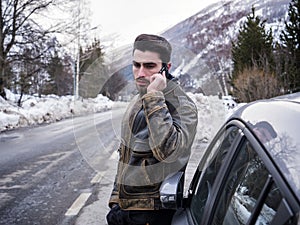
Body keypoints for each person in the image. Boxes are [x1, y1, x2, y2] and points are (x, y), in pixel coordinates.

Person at [106, 34, 198, 225]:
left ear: (166, 68)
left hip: (151, 214)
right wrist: (115, 201)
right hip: (125, 211)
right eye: (136, 65)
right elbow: (126, 153)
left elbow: (169, 152)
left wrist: (155, 97)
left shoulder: (182, 106)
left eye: (149, 66)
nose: (140, 73)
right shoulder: (140, 99)